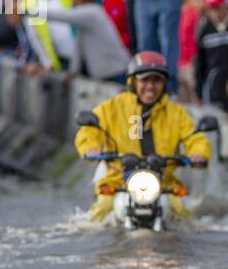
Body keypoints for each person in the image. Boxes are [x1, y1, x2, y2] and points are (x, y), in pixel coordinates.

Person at [74, 52, 210, 222]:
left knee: (182, 214)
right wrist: (90, 148)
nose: (151, 87)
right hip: (119, 183)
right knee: (99, 213)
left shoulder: (176, 112)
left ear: (165, 84)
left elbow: (194, 137)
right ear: (133, 82)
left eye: (157, 81)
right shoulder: (113, 107)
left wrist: (199, 154)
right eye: (145, 80)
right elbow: (90, 130)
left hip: (163, 184)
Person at [38, 0, 132, 83]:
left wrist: (29, 11)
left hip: (116, 71)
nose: (71, 2)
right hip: (107, 72)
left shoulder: (92, 12)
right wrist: (73, 72)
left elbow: (62, 16)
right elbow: (78, 46)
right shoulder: (86, 19)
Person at [194, 0, 228, 113]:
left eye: (218, 8)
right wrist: (198, 93)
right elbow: (200, 63)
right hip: (214, 85)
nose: (215, 13)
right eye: (211, 9)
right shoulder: (205, 30)